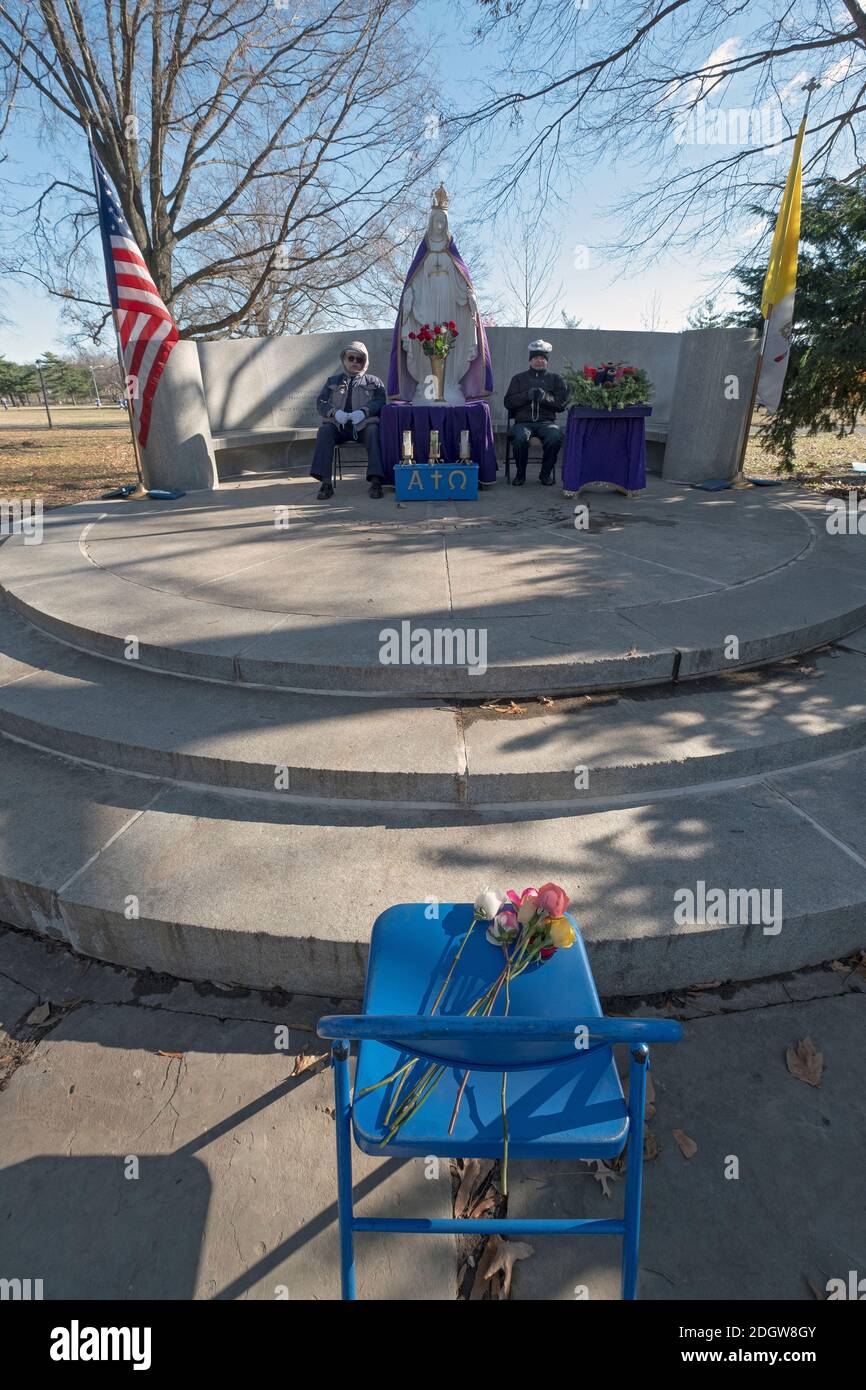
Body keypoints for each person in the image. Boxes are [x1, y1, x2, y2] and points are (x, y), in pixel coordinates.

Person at [311, 341, 386, 500]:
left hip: (363, 426)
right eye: (351, 358)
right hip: (339, 425)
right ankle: (326, 483)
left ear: (365, 362)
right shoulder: (332, 381)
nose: (354, 362)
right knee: (324, 431)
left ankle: (376, 482)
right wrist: (334, 413)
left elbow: (380, 401)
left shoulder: (374, 382)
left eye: (359, 359)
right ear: (344, 360)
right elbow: (321, 402)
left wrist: (364, 412)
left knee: (374, 431)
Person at [503, 339, 569, 486]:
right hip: (523, 422)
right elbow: (508, 403)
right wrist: (526, 395)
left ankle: (545, 475)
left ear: (547, 361)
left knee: (555, 437)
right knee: (519, 438)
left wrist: (545, 397)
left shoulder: (555, 379)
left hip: (546, 423)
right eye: (535, 358)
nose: (539, 361)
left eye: (542, 358)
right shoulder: (518, 379)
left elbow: (561, 404)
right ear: (530, 360)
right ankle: (520, 475)